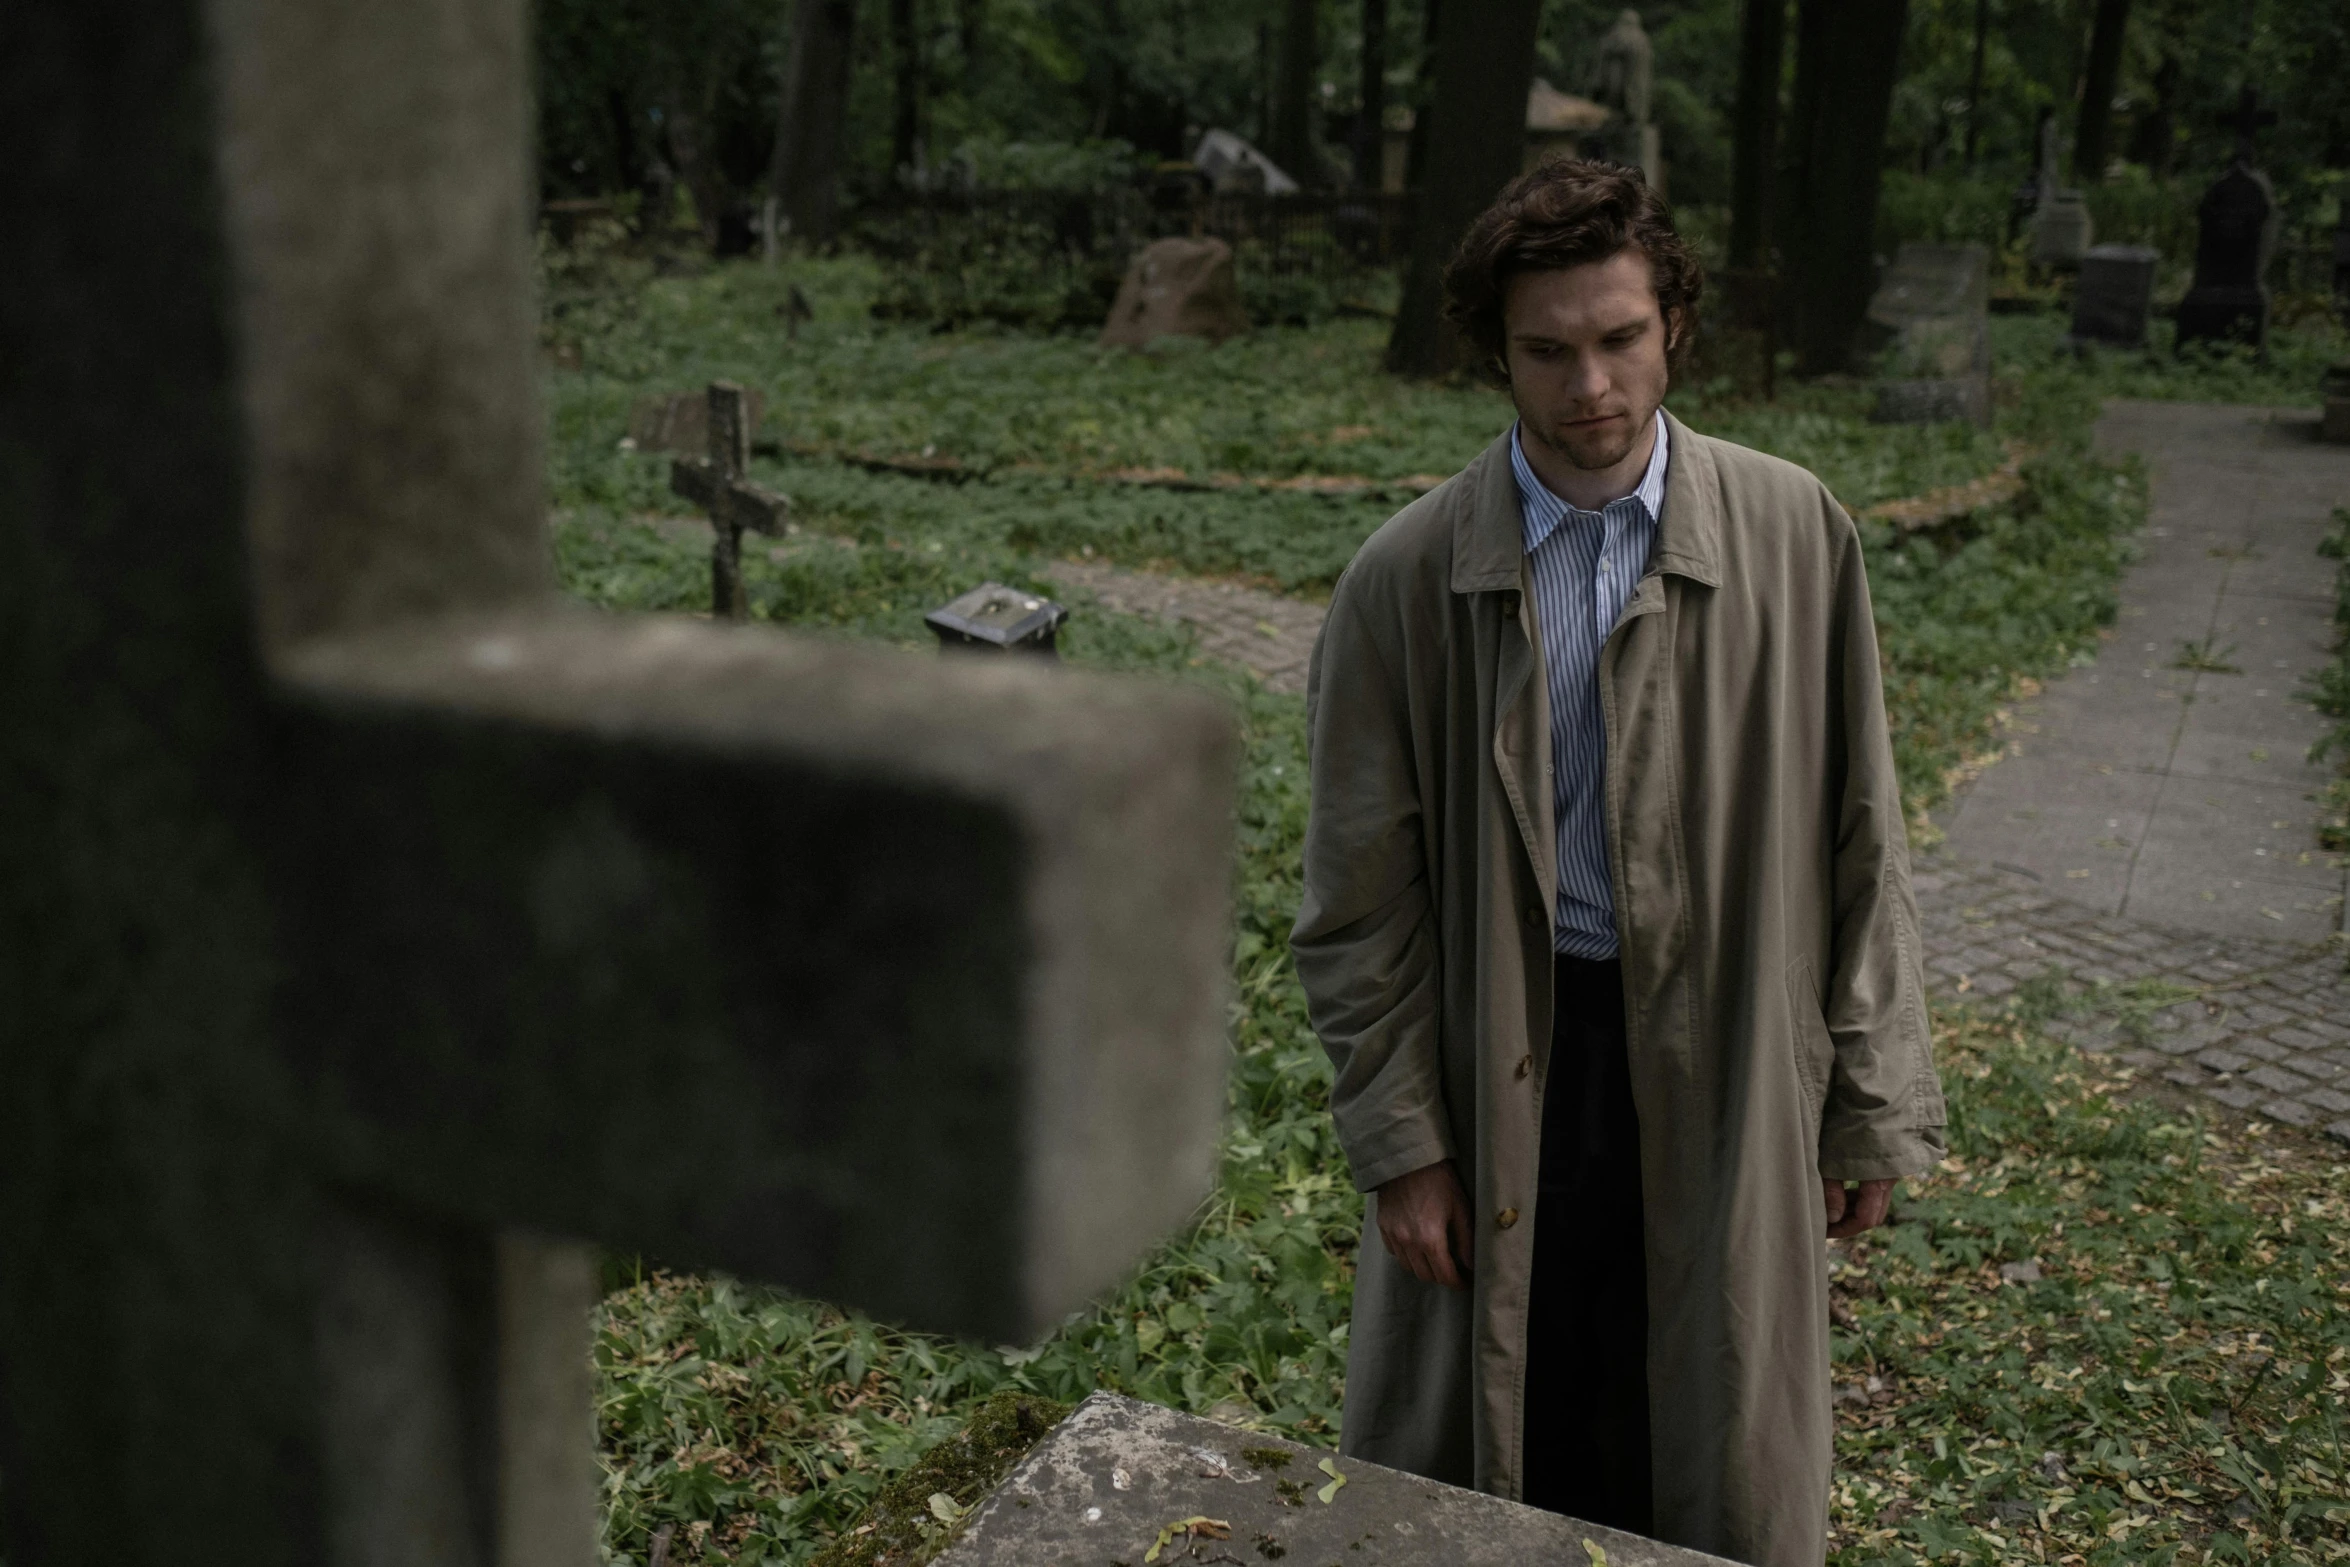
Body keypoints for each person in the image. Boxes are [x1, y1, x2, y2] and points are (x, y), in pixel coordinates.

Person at [1290, 159, 1947, 1567]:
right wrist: (1404, 1142)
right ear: (1493, 354)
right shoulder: (1404, 581)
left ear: (1672, 330)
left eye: (1618, 338)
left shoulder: (1793, 535)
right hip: (1502, 1052)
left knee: (1703, 1423)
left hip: (1723, 1041)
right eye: (1545, 349)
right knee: (1509, 1415)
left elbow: (1861, 834)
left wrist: (1871, 1093)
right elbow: (1356, 901)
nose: (1588, 383)